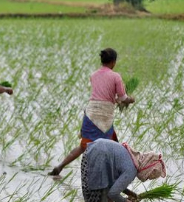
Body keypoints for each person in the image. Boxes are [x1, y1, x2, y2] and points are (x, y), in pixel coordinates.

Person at [49, 48, 135, 176]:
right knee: (112, 148)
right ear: (113, 62)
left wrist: (115, 100)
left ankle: (60, 166)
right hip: (104, 117)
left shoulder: (93, 75)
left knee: (83, 146)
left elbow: (102, 96)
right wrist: (130, 99)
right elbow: (122, 98)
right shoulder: (116, 76)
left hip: (90, 114)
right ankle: (113, 177)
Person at [80, 138, 166, 202]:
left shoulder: (133, 159)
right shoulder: (132, 169)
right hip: (98, 155)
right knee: (107, 198)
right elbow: (113, 194)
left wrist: (130, 193)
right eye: (149, 176)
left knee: (100, 198)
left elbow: (114, 184)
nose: (147, 179)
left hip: (94, 150)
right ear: (148, 169)